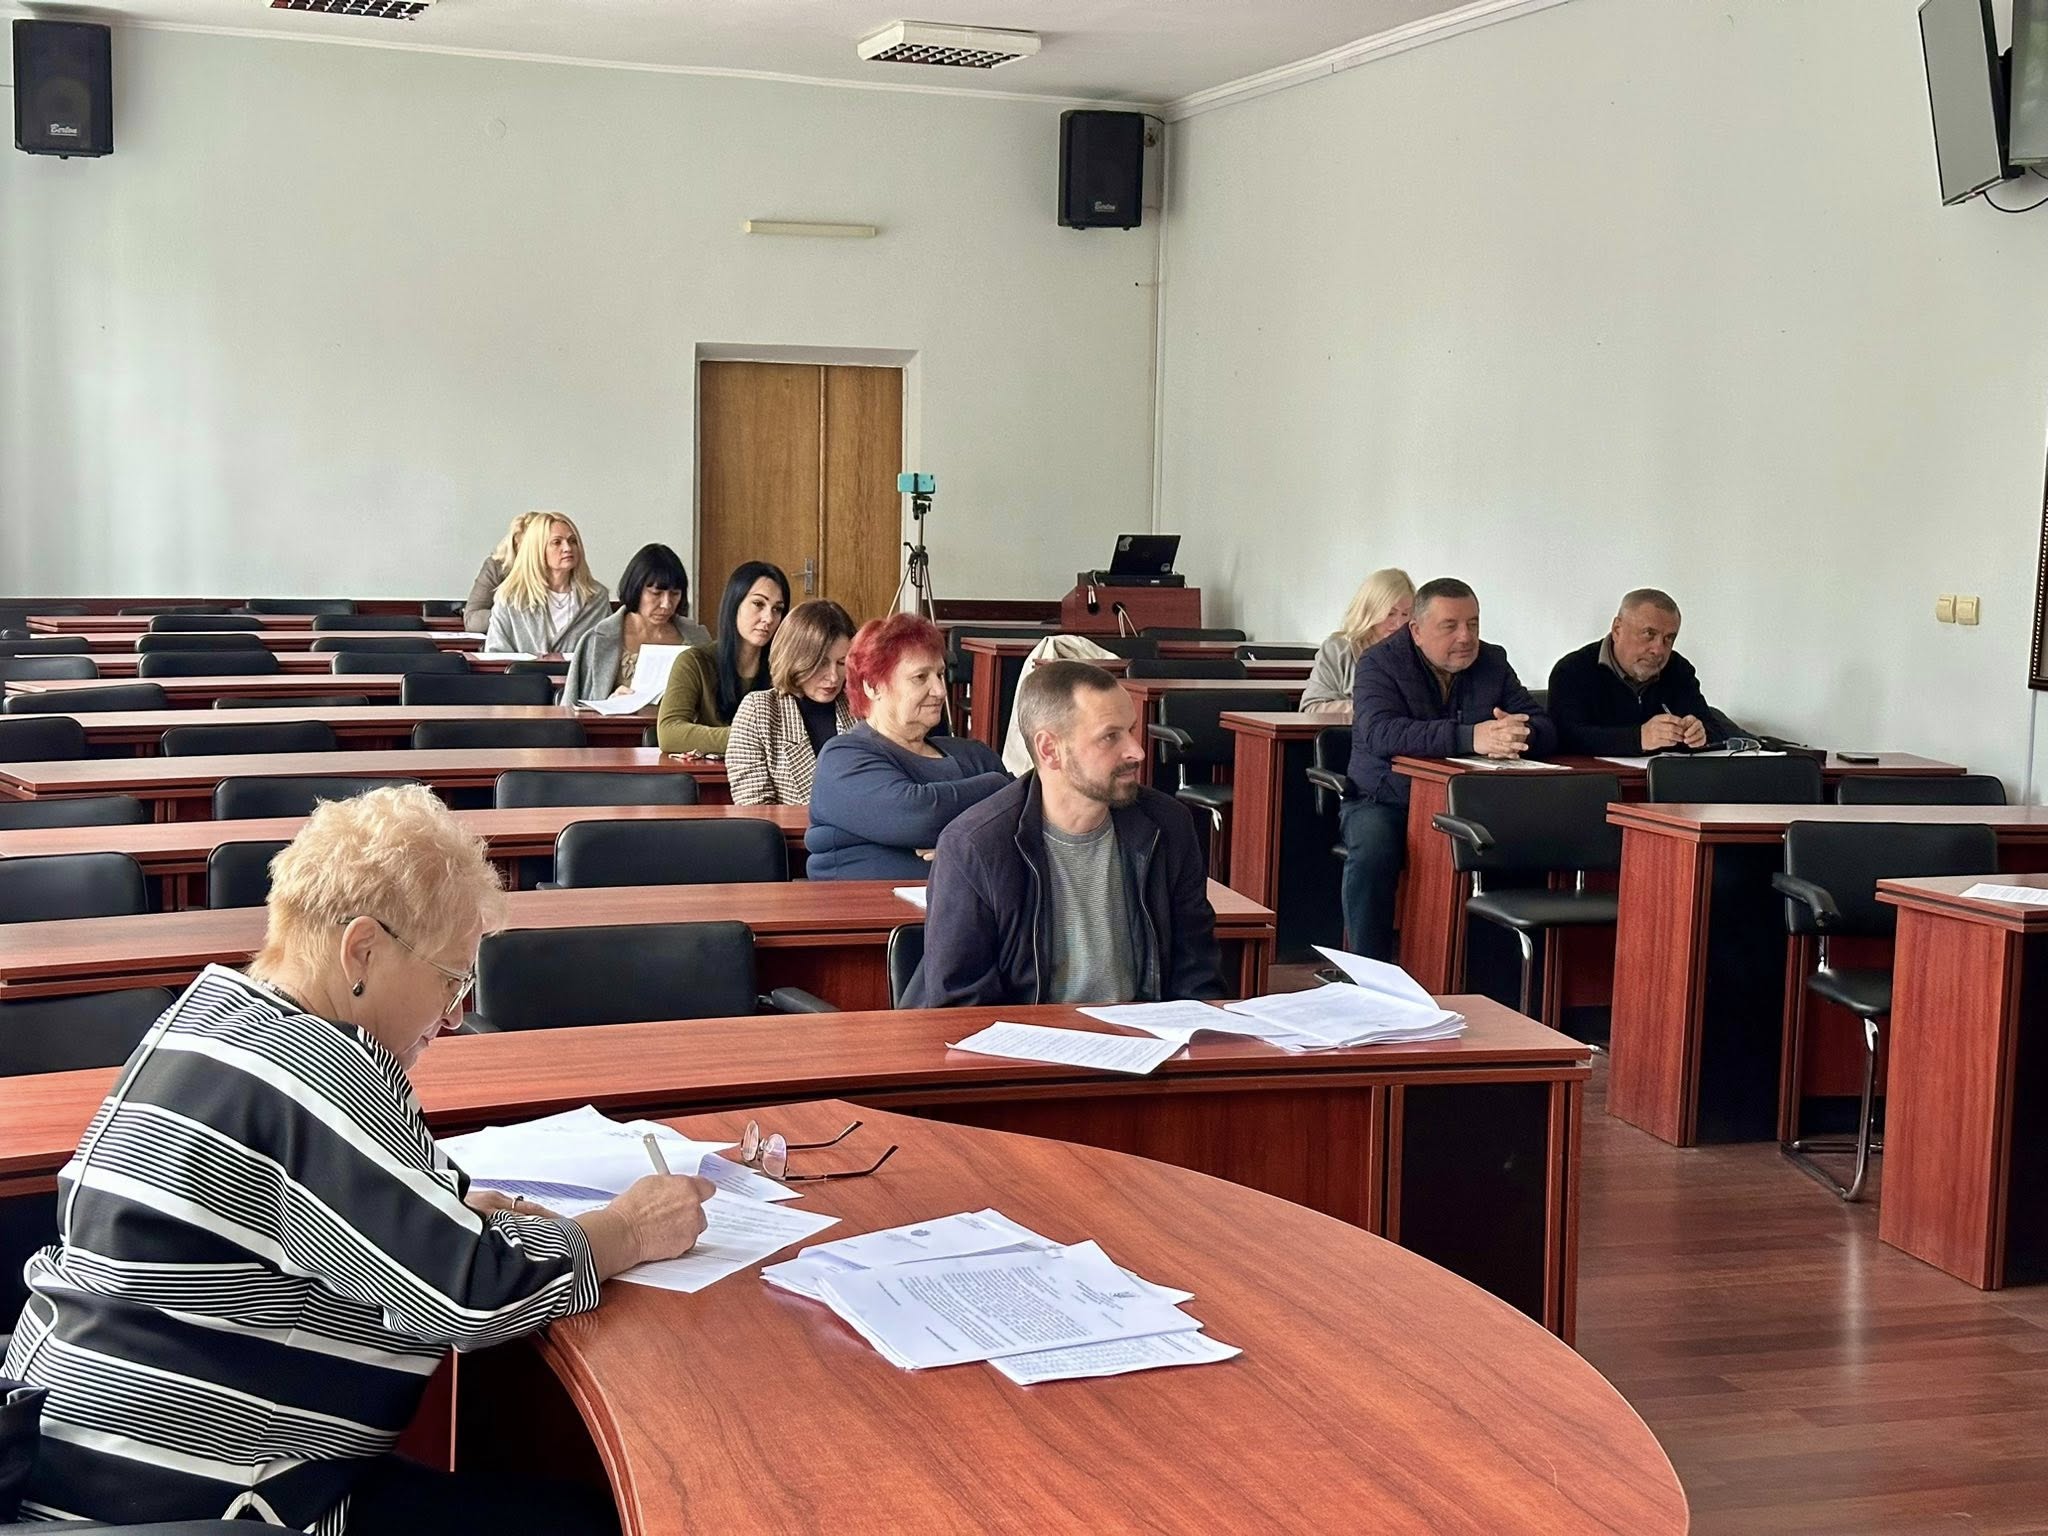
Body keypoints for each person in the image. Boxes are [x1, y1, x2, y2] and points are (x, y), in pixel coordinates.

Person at [1, 786, 711, 1531]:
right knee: (585, 1522)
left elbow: (307, 1220)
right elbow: (473, 1294)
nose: (454, 1014)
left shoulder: (212, 1015)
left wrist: (441, 1218)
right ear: (362, 950)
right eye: (452, 978)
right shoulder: (308, 1067)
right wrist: (626, 1230)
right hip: (192, 1501)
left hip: (89, 1465)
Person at [908, 660, 1223, 1007]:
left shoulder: (1169, 825)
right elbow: (961, 1007)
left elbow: (1198, 978)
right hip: (1027, 1039)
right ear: (1049, 750)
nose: (1137, 751)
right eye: (1110, 736)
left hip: (1146, 1036)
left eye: (1131, 730)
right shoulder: (975, 848)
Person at [1340, 577, 1555, 961]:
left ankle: (1492, 973)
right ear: (1417, 630)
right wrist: (1470, 737)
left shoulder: (1492, 661)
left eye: (1473, 624)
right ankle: (1369, 971)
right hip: (1386, 799)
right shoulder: (1379, 662)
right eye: (1450, 626)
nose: (1465, 637)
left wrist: (1519, 733)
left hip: (1471, 802)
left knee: (1530, 843)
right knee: (1374, 851)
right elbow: (1380, 732)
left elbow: (1543, 725)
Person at [804, 614, 1009, 880]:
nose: (940, 690)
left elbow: (1026, 820)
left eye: (940, 675)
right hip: (863, 904)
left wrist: (964, 845)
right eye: (920, 677)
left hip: (967, 902)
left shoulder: (974, 754)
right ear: (873, 686)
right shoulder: (843, 757)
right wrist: (999, 786)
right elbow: (919, 816)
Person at [1547, 588, 1743, 755]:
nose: (1659, 649)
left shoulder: (1678, 669)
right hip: (1596, 783)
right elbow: (1565, 737)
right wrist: (1639, 738)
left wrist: (1700, 734)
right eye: (1649, 634)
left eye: (1669, 638)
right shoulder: (1572, 670)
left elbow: (1715, 730)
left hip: (1667, 781)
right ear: (1617, 629)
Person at [726, 599, 858, 805]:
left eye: (842, 663)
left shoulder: (861, 708)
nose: (833, 677)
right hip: (785, 827)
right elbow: (754, 810)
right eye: (821, 663)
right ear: (796, 659)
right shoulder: (759, 712)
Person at [655, 561, 790, 755]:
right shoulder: (694, 662)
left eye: (777, 609)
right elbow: (669, 734)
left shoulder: (786, 667)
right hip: (709, 772)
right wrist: (749, 737)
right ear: (734, 604)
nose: (768, 618)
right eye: (758, 604)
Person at [562, 543, 713, 702]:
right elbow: (571, 709)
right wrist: (610, 702)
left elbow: (716, 702)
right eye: (656, 594)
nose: (666, 604)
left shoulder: (698, 638)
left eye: (675, 594)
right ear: (636, 589)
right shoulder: (597, 640)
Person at [483, 512, 611, 656]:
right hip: (525, 672)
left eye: (572, 541)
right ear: (537, 549)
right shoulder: (511, 598)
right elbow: (496, 655)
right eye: (557, 542)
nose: (568, 548)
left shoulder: (596, 597)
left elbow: (605, 653)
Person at [1301, 568, 1415, 714]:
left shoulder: (1416, 651)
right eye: (1390, 614)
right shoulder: (1338, 649)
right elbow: (1312, 708)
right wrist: (1369, 709)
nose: (1399, 623)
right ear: (1370, 611)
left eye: (1405, 614)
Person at [463, 512, 542, 636]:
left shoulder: (564, 568)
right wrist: (517, 617)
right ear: (516, 545)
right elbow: (473, 620)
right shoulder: (496, 567)